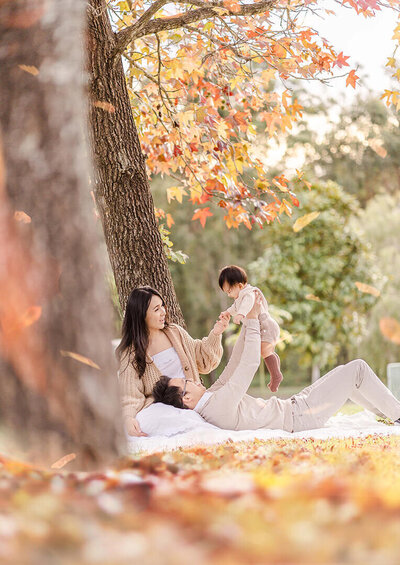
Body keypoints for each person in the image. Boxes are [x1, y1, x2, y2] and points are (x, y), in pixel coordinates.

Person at [152, 295, 400, 432]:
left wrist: (251, 319)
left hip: (295, 406)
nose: (193, 379)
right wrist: (251, 319)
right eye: (187, 383)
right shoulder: (217, 408)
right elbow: (248, 366)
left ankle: (390, 417)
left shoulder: (212, 398)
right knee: (357, 368)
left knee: (346, 375)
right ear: (185, 399)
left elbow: (234, 364)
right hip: (300, 416)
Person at [117, 286, 229, 437]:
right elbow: (130, 396)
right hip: (162, 409)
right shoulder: (130, 353)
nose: (163, 311)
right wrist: (128, 417)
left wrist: (216, 333)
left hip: (193, 402)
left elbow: (204, 360)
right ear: (141, 314)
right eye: (156, 309)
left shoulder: (175, 332)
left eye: (162, 305)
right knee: (167, 419)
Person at [219, 264, 283, 392]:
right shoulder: (239, 297)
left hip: (266, 326)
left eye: (229, 291)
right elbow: (235, 308)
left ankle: (276, 375)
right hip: (264, 328)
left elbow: (247, 304)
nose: (229, 295)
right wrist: (227, 312)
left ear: (240, 286)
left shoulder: (249, 294)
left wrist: (241, 314)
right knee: (266, 351)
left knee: (264, 351)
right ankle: (276, 374)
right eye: (226, 292)